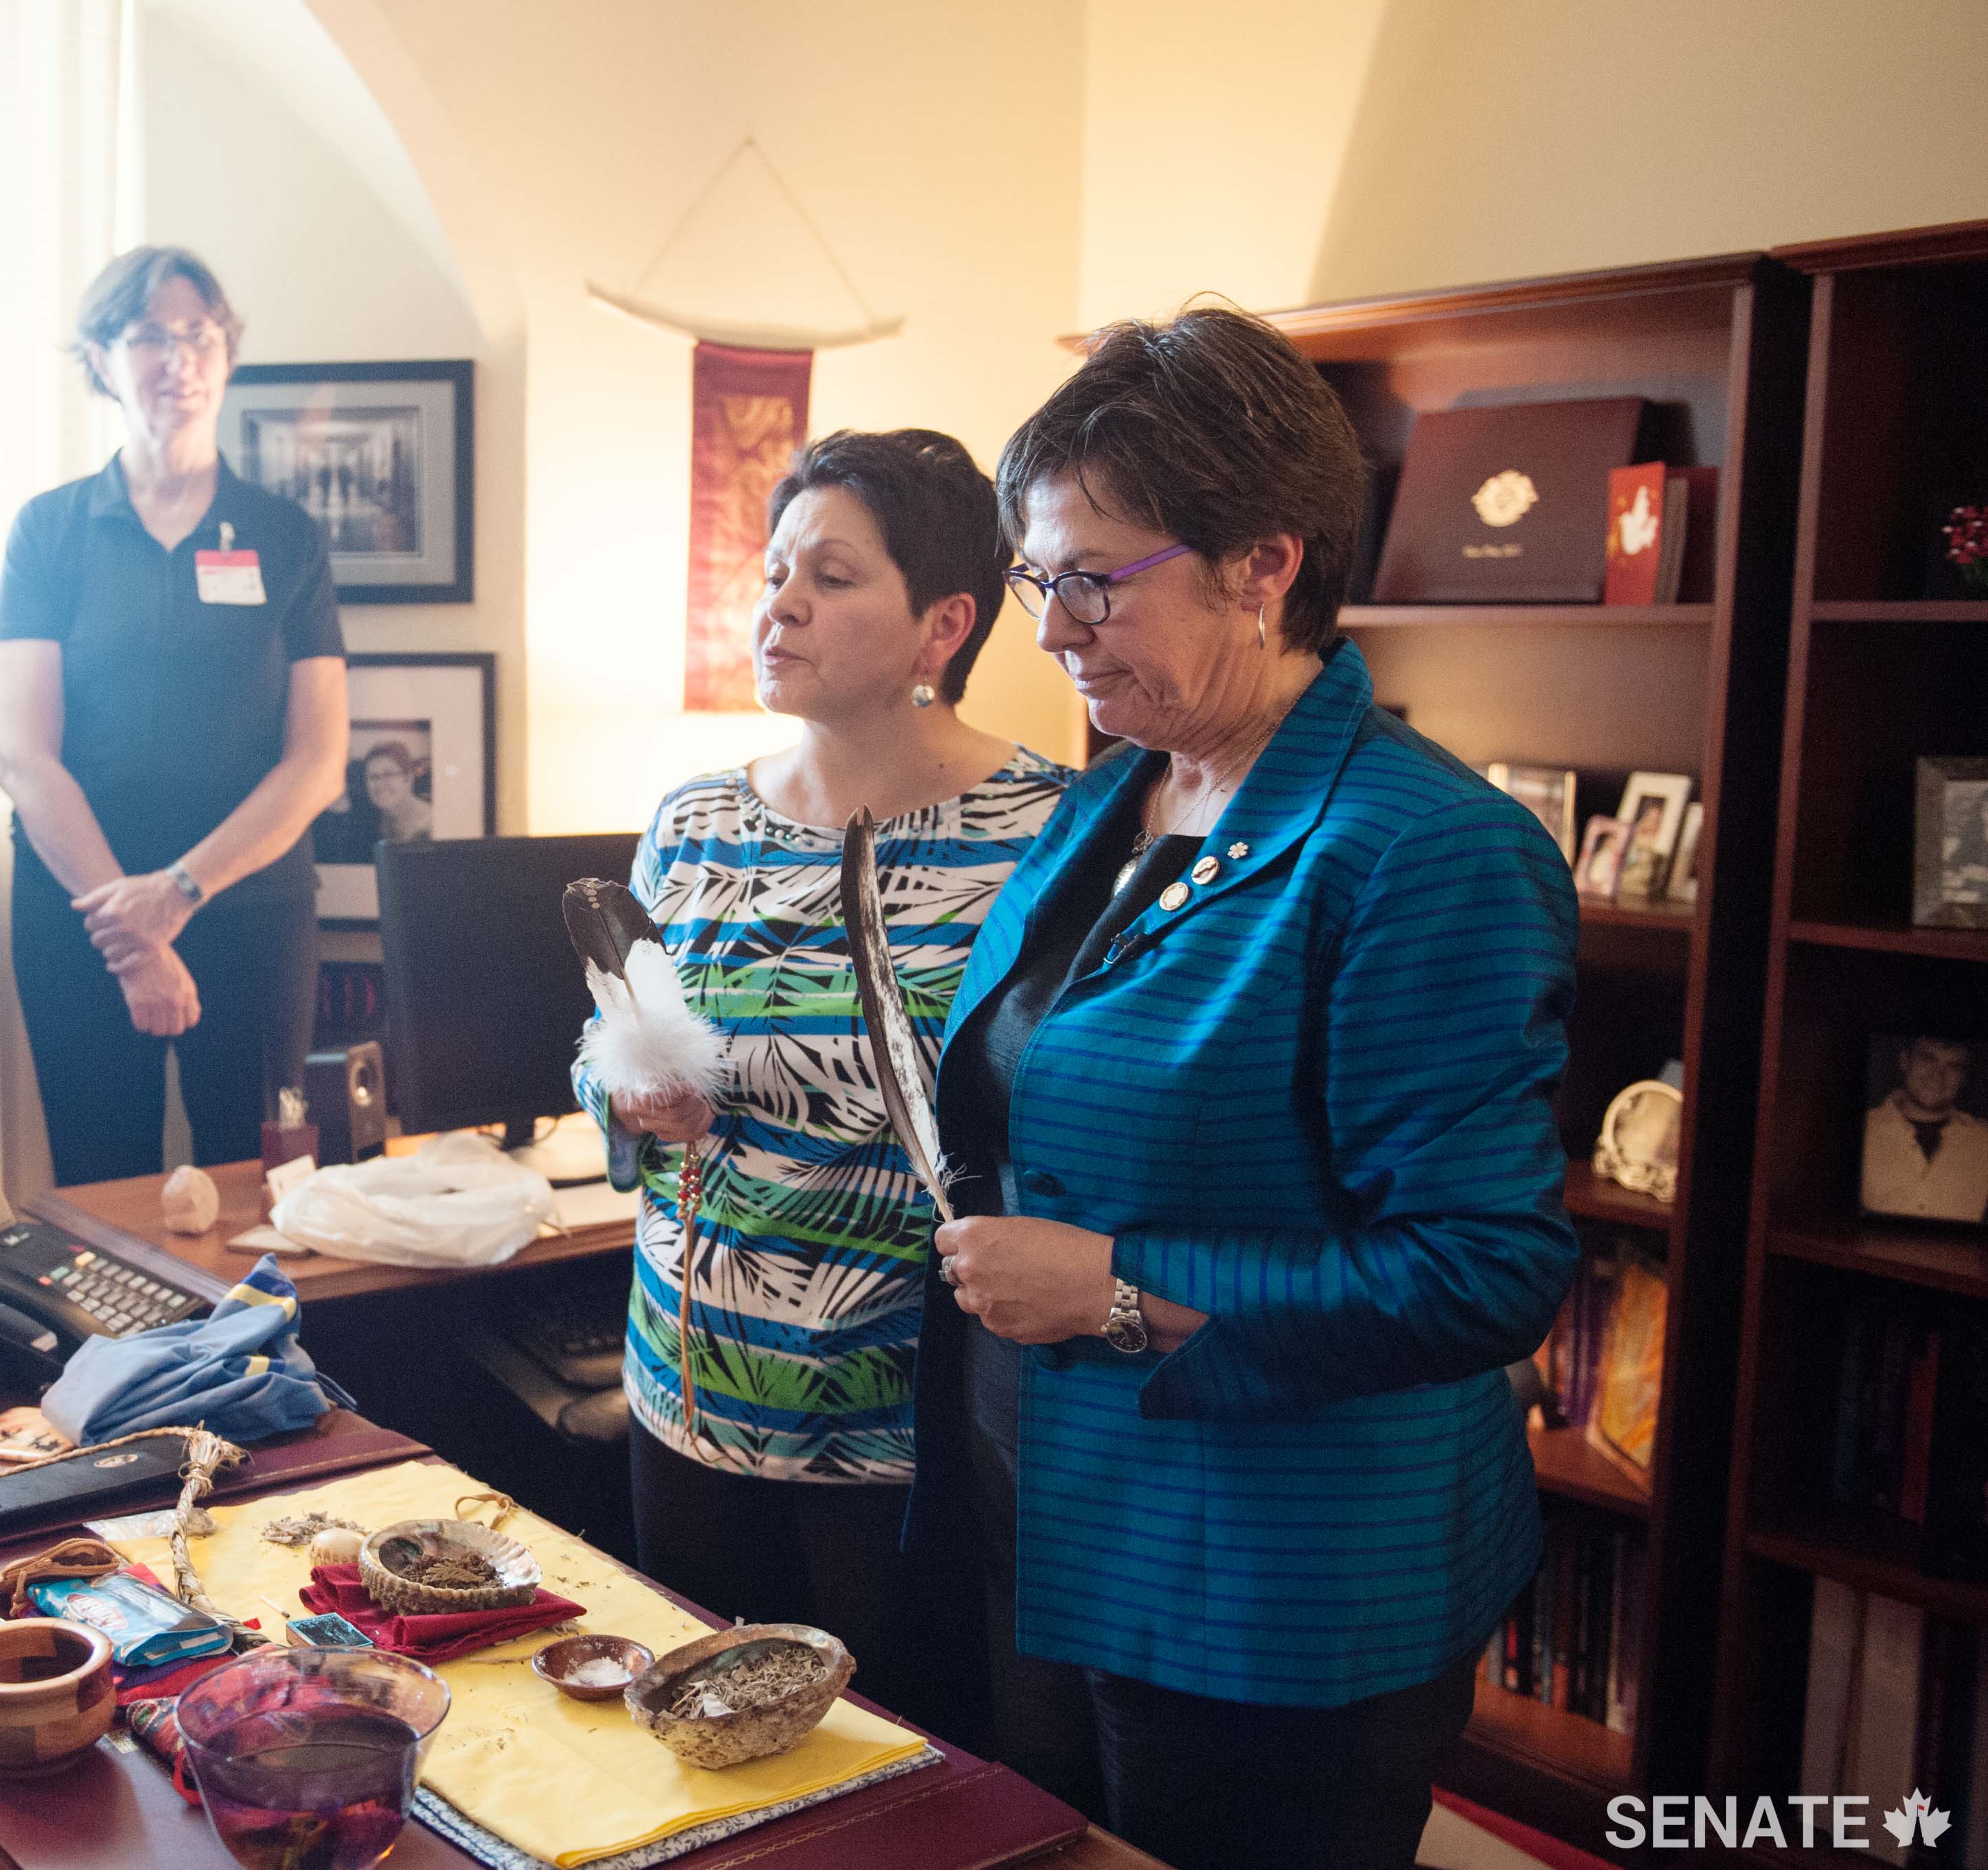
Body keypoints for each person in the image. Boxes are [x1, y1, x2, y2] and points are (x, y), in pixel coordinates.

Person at [923, 306, 1578, 1870]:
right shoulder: (1115, 792)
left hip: (1273, 1577)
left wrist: (1114, 1288)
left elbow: (1481, 1270)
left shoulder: (1425, 852)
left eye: (1091, 580)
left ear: (1263, 562)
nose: (1053, 629)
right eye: (1037, 582)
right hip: (1055, 1506)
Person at [579, 428, 1070, 1726]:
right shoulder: (692, 824)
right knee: (697, 1767)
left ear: (941, 625)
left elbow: (1062, 1110)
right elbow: (607, 1050)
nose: (779, 604)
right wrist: (628, 1100)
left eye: (833, 576)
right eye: (775, 569)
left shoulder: (1055, 834)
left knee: (894, 1780)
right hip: (688, 1394)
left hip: (904, 1425)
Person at [0, 246, 349, 1183]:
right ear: (101, 359)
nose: (176, 357)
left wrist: (176, 892)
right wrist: (131, 929)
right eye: (148, 334)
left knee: (263, 1181)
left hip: (250, 905)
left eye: (198, 334)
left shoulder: (285, 536)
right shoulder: (48, 529)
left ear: (225, 355)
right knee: (104, 1183)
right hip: (82, 912)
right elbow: (21, 754)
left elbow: (315, 762)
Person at [1862, 1036, 1988, 1220]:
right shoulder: (1862, 1132)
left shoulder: (1983, 1141)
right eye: (1928, 1058)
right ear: (1905, 1061)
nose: (1938, 1074)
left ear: (1963, 1079)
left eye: (1953, 1066)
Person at [360, 740, 435, 844]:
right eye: (374, 777)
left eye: (388, 775)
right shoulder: (374, 823)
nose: (380, 784)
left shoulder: (432, 825)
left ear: (408, 778)